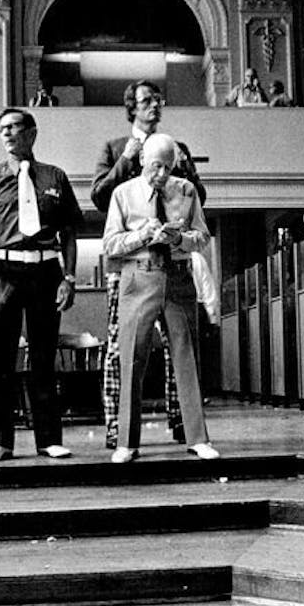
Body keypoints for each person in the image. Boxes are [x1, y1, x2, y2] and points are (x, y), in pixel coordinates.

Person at [90, 80, 206, 449]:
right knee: (121, 349)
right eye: (145, 101)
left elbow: (197, 200)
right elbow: (99, 197)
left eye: (158, 99)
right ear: (132, 108)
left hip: (173, 265)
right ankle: (118, 429)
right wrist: (128, 158)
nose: (154, 106)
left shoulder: (178, 149)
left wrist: (182, 170)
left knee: (181, 347)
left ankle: (183, 424)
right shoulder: (114, 148)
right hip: (130, 267)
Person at [0, 108, 83, 462]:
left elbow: (68, 233)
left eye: (13, 128)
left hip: (46, 272)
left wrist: (69, 278)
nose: (6, 134)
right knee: (0, 360)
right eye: (1, 129)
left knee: (44, 359)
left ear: (31, 133)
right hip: (3, 272)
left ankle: (49, 439)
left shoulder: (55, 176)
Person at [103, 133, 219, 463]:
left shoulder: (186, 191)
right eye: (156, 166)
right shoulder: (122, 194)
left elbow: (203, 237)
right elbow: (110, 244)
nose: (162, 174)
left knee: (186, 358)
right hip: (137, 276)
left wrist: (178, 237)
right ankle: (126, 442)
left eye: (169, 167)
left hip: (178, 277)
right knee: (131, 359)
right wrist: (142, 235)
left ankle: (198, 438)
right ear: (141, 160)